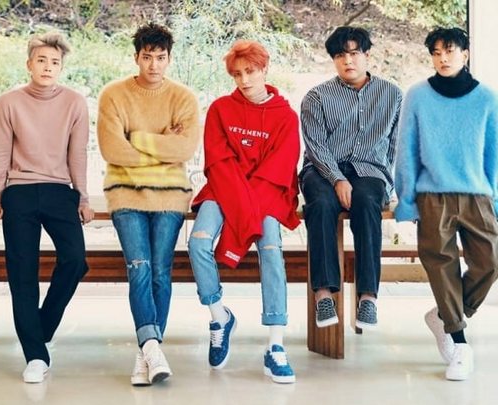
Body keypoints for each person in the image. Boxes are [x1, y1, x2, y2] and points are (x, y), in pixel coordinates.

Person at [188, 39, 300, 384]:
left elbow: (279, 170)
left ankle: (276, 345)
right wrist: (240, 208)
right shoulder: (220, 109)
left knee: (272, 249)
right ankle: (219, 316)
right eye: (237, 74)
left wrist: (244, 218)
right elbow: (219, 162)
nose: (244, 80)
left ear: (264, 69)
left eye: (250, 71)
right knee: (198, 242)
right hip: (224, 190)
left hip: (266, 195)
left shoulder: (286, 116)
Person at [97, 22, 200, 386]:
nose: (153, 65)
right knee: (138, 267)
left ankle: (148, 353)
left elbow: (184, 149)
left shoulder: (184, 98)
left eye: (160, 57)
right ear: (136, 57)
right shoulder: (113, 95)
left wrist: (136, 139)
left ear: (169, 59)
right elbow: (112, 149)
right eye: (147, 57)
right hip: (125, 192)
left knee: (160, 270)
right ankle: (153, 348)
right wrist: (157, 143)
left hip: (170, 194)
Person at [0, 32, 93, 384]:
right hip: (18, 192)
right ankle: (35, 355)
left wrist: (83, 196)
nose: (48, 67)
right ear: (29, 64)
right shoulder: (9, 102)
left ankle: (42, 324)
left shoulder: (75, 103)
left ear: (61, 67)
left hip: (59, 191)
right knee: (22, 272)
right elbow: (1, 153)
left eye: (55, 62)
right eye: (42, 60)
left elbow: (77, 154)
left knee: (75, 259)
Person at [395, 27, 498, 381]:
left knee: (490, 261)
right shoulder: (418, 96)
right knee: (442, 266)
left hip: (476, 195)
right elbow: (406, 150)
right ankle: (459, 341)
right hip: (433, 196)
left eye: (449, 50)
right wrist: (407, 199)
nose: (442, 58)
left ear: (465, 54)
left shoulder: (487, 99)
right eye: (436, 52)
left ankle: (444, 315)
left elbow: (494, 155)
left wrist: (495, 198)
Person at [300, 26, 401, 329]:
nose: (348, 61)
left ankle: (368, 297)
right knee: (321, 204)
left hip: (369, 169)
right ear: (333, 59)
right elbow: (315, 146)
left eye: (354, 53)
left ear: (367, 55)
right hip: (322, 169)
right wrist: (336, 179)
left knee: (368, 202)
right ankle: (323, 294)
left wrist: (387, 183)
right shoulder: (316, 97)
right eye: (340, 55)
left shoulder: (392, 95)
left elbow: (394, 145)